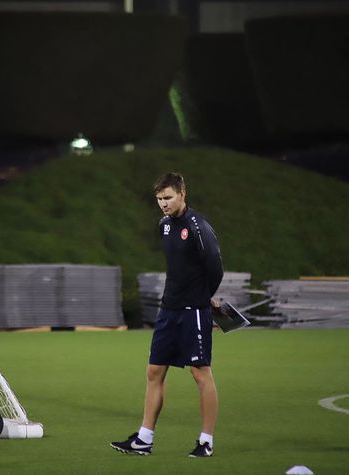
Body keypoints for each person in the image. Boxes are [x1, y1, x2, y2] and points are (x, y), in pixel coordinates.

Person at [111, 172, 223, 458]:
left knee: (201, 374)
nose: (163, 204)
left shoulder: (199, 227)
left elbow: (215, 267)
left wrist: (203, 298)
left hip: (194, 312)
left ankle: (206, 441)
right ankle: (144, 440)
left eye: (168, 198)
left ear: (182, 194)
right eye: (159, 199)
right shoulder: (163, 225)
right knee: (154, 372)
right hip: (168, 310)